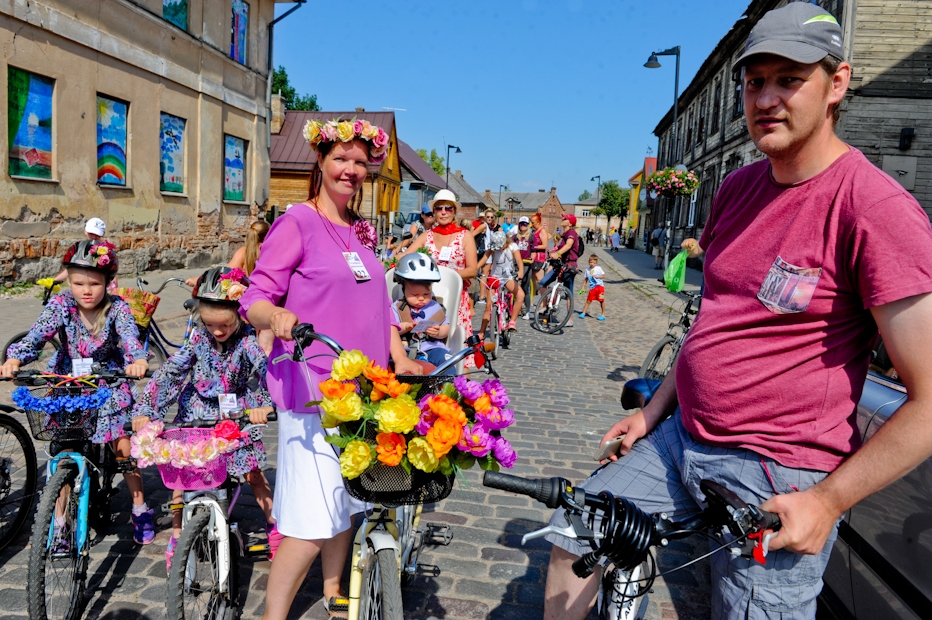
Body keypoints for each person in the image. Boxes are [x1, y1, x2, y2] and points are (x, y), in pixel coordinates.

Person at [542, 4, 932, 619]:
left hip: (776, 472)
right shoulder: (738, 186)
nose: (766, 99)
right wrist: (652, 413)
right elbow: (712, 324)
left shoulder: (874, 209)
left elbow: (929, 400)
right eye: (755, 82)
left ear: (837, 84)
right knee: (576, 534)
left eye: (789, 79)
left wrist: (828, 502)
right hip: (682, 438)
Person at [239, 118, 422, 620]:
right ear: (320, 161)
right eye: (341, 158)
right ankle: (272, 615)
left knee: (349, 501)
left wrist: (399, 357)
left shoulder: (359, 229)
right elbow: (255, 295)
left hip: (364, 390)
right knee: (311, 520)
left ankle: (334, 592)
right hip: (314, 388)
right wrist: (274, 315)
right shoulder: (297, 220)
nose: (351, 170)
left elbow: (380, 305)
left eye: (361, 162)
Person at [2, 240, 153, 543]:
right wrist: (16, 357)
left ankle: (139, 507)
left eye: (94, 283)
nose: (86, 290)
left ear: (108, 283)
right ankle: (59, 523)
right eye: (78, 282)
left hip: (109, 379)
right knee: (65, 448)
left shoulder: (118, 308)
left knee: (123, 446)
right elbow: (38, 333)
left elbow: (129, 337)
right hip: (68, 380)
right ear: (68, 280)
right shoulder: (61, 304)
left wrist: (137, 359)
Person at [134, 267, 277, 569]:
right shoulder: (199, 339)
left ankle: (274, 526)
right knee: (181, 474)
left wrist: (266, 405)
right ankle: (177, 532)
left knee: (253, 473)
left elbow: (265, 372)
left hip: (236, 414)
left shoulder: (247, 341)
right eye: (210, 324)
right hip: (196, 413)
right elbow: (172, 372)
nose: (217, 332)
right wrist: (148, 409)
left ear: (240, 314)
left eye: (224, 325)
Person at [402, 188, 479, 369]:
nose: (443, 212)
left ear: (454, 211)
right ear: (433, 212)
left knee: (456, 349)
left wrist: (444, 275)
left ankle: (459, 390)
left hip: (456, 299)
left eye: (448, 208)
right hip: (425, 299)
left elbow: (472, 270)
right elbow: (405, 256)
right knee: (423, 342)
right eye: (438, 208)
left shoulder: (465, 236)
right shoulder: (426, 236)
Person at [391, 253, 452, 370]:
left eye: (426, 294)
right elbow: (392, 329)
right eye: (415, 295)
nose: (421, 298)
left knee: (446, 362)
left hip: (432, 347)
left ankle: (448, 384)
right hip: (405, 348)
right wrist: (405, 326)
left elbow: (446, 327)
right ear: (404, 290)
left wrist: (439, 332)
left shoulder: (435, 307)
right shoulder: (398, 307)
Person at [478, 231, 525, 334]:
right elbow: (485, 258)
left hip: (507, 277)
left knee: (520, 295)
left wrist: (521, 270)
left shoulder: (512, 246)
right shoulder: (493, 247)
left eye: (500, 247)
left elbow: (518, 259)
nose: (498, 249)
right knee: (488, 306)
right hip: (495, 277)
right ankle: (481, 332)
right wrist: (476, 269)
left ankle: (512, 321)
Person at [53, 218, 117, 287]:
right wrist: (54, 281)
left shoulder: (105, 251)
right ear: (85, 231)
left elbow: (111, 272)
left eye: (97, 234)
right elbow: (71, 269)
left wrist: (113, 287)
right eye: (91, 233)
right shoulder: (77, 248)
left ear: (103, 234)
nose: (94, 237)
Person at [549, 213, 582, 327]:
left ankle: (570, 319)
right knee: (544, 282)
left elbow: (568, 246)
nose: (562, 219)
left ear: (570, 222)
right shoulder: (564, 234)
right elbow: (561, 247)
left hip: (569, 266)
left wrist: (557, 253)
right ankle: (546, 307)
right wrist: (553, 252)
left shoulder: (571, 233)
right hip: (560, 265)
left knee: (569, 293)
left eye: (565, 218)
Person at [512, 216, 535, 317]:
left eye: (525, 224)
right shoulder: (514, 237)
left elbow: (533, 251)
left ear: (528, 225)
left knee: (525, 287)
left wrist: (532, 259)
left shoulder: (531, 237)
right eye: (521, 224)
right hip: (515, 264)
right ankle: (512, 308)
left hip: (526, 264)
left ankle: (528, 310)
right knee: (513, 286)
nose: (523, 226)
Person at [529, 213, 551, 298]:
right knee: (532, 281)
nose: (532, 224)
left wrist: (534, 246)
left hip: (539, 259)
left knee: (540, 281)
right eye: (531, 222)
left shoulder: (542, 231)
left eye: (533, 223)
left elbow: (545, 245)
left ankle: (544, 303)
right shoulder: (534, 231)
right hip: (532, 258)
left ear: (538, 222)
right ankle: (531, 302)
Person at [579, 254, 606, 321]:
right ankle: (583, 313)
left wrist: (598, 277)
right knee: (588, 300)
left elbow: (603, 276)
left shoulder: (598, 268)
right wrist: (583, 287)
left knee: (601, 300)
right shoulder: (587, 270)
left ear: (596, 263)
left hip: (600, 287)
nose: (592, 264)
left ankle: (603, 314)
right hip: (592, 288)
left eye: (593, 263)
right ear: (589, 262)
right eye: (591, 262)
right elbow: (586, 279)